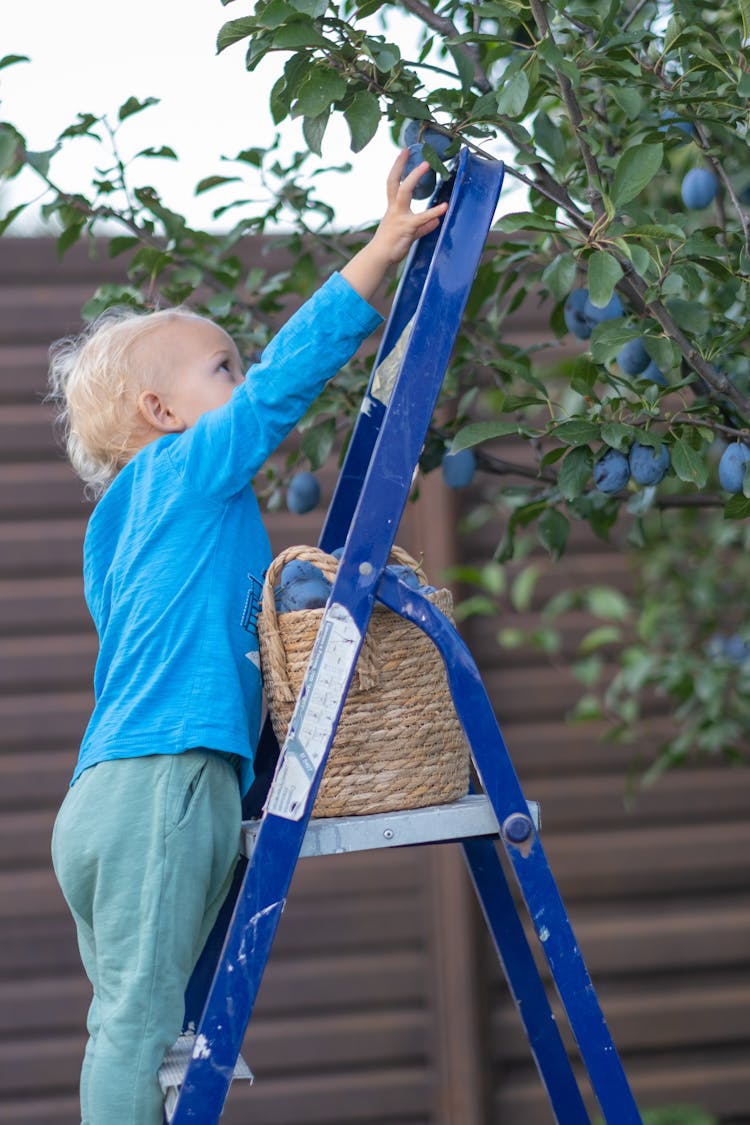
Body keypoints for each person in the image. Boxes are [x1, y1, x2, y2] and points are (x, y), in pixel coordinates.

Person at [48, 150, 447, 1125]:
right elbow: (281, 389)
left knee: (140, 1018)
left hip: (100, 799)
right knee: (133, 1028)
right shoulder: (187, 468)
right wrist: (385, 247)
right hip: (164, 785)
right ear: (162, 413)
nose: (241, 374)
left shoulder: (118, 527)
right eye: (219, 365)